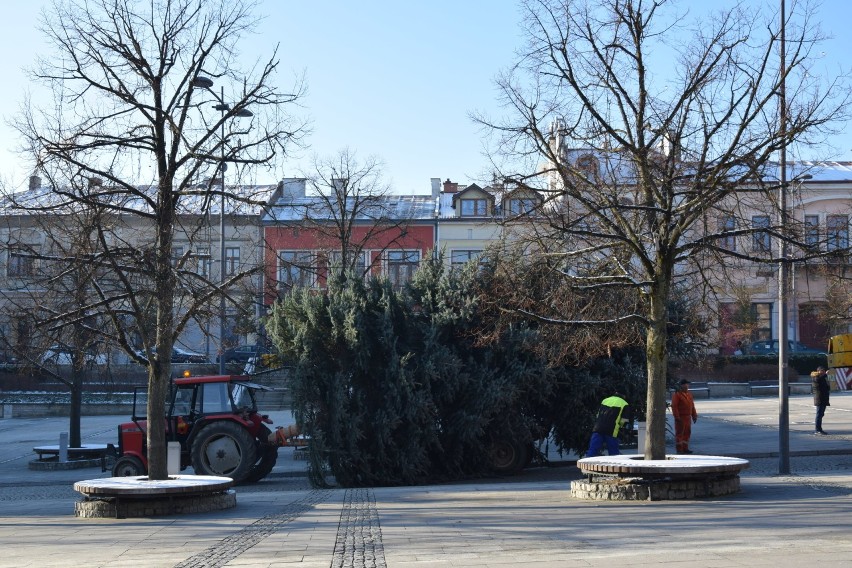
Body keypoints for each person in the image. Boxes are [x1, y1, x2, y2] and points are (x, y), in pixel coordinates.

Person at [671, 379, 698, 454]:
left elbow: (692, 406)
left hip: (688, 417)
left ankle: (685, 448)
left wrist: (694, 415)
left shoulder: (689, 394)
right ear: (681, 385)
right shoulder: (677, 394)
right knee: (680, 433)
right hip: (681, 417)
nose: (687, 386)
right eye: (685, 384)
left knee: (687, 433)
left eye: (687, 384)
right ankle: (679, 449)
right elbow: (674, 406)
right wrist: (677, 417)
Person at [812, 366, 830, 435]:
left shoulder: (822, 378)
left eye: (823, 370)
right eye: (821, 370)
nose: (822, 371)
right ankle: (817, 429)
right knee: (819, 414)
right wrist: (825, 374)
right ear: (818, 371)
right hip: (819, 399)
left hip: (823, 399)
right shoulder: (815, 377)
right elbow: (818, 380)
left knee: (821, 414)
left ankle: (819, 429)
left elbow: (825, 387)